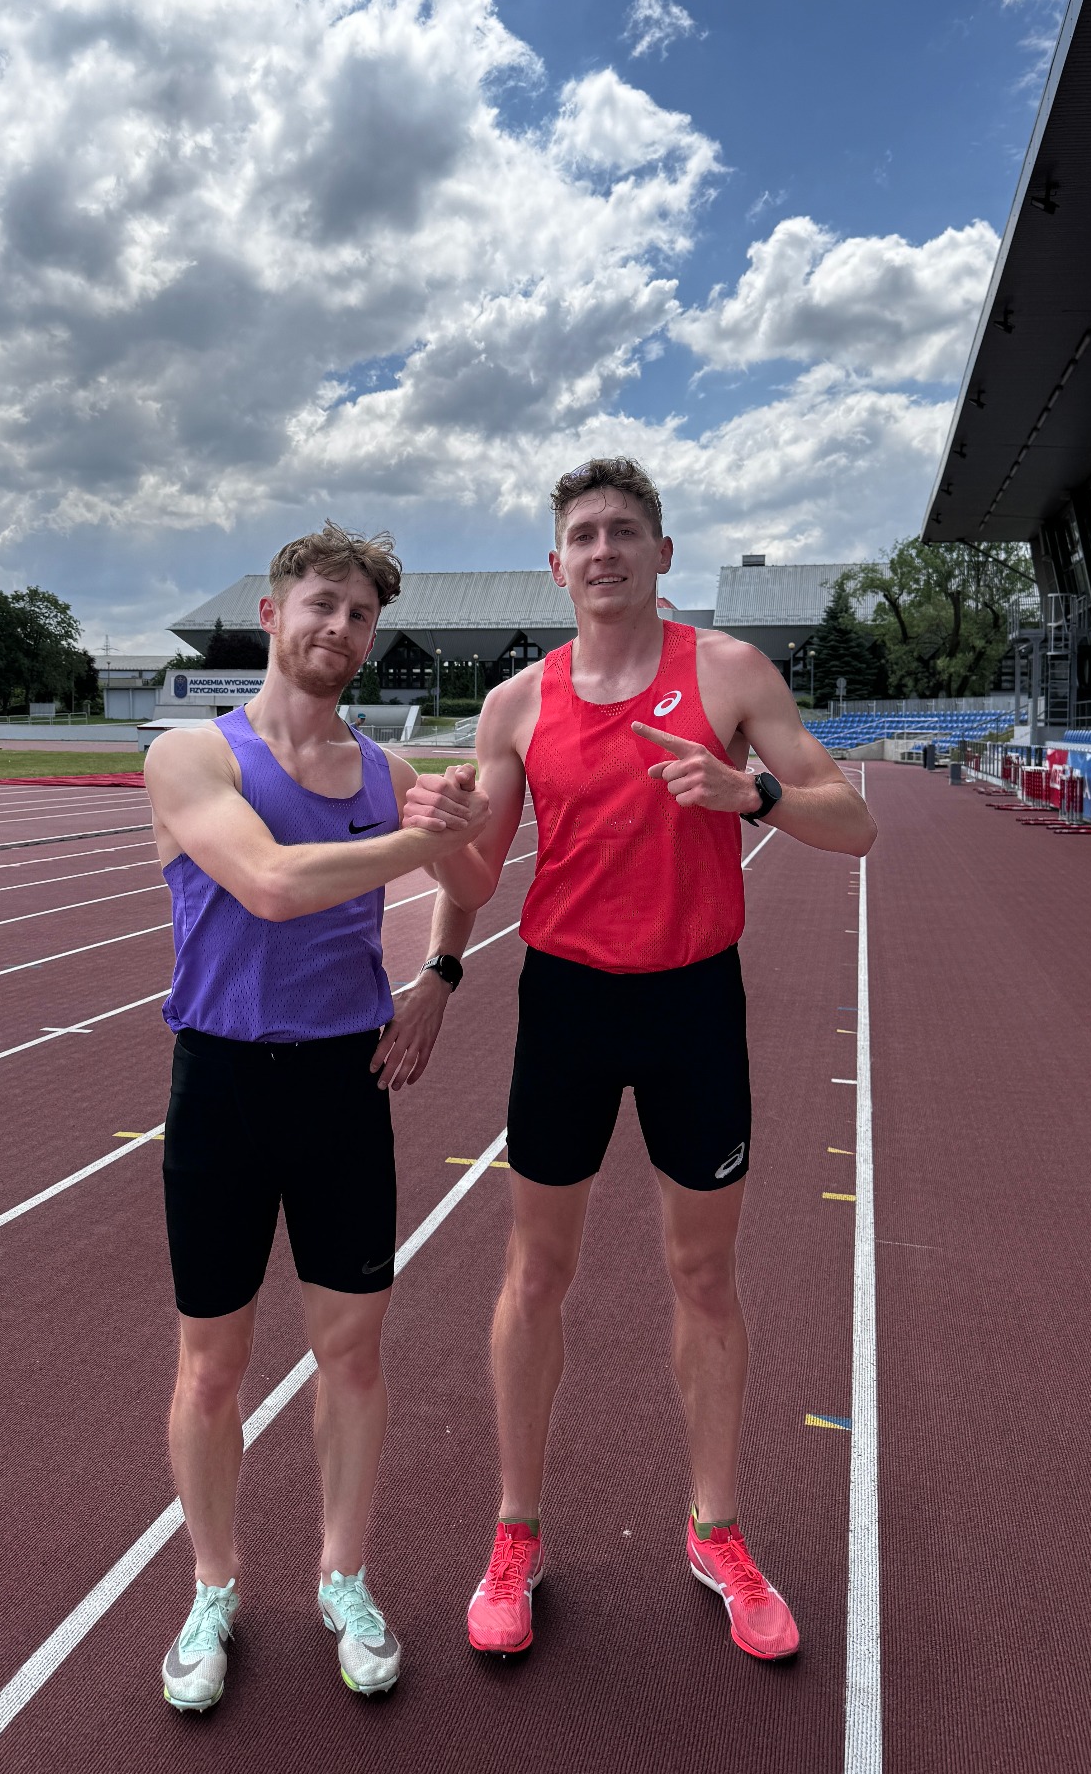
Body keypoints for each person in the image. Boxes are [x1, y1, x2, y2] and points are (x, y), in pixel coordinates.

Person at [376, 458, 877, 1665]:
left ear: (661, 553)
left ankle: (716, 1529)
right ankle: (516, 1536)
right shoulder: (516, 704)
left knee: (703, 1276)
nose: (603, 549)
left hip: (695, 1002)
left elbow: (851, 820)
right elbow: (480, 875)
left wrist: (747, 791)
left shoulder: (729, 672)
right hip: (568, 1006)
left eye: (624, 531)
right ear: (557, 566)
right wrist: (435, 898)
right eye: (582, 534)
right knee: (533, 1272)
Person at [142, 522, 489, 1716]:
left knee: (351, 1354)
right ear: (272, 612)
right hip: (223, 1088)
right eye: (323, 605)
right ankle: (214, 1585)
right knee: (212, 1364)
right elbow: (274, 885)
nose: (339, 629)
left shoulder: (388, 773)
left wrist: (440, 972)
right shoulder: (194, 754)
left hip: (348, 1084)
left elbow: (474, 884)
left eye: (360, 617)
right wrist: (420, 836)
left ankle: (344, 1574)